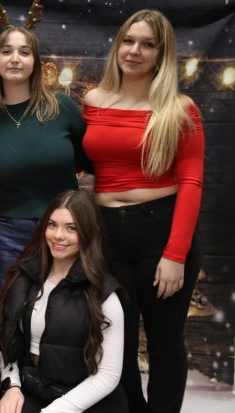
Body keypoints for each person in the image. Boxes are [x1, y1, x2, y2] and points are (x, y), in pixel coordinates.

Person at [82, 9, 205, 413]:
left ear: (161, 54)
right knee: (117, 339)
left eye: (147, 44)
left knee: (166, 340)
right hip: (107, 235)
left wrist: (175, 255)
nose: (134, 51)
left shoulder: (179, 108)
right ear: (118, 44)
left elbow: (190, 182)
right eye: (129, 41)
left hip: (160, 230)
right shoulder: (93, 101)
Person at [0, 26, 91, 296]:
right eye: (7, 51)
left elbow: (93, 162)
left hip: (66, 230)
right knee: (12, 315)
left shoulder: (61, 108)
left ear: (35, 62)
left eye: (24, 52)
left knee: (67, 314)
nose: (15, 58)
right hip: (8, 236)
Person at [0, 190, 128, 413]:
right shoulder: (24, 277)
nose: (58, 235)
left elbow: (108, 376)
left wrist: (55, 411)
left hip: (88, 400)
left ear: (89, 232)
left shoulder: (105, 295)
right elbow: (6, 342)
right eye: (52, 225)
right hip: (34, 388)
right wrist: (12, 386)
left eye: (71, 228)